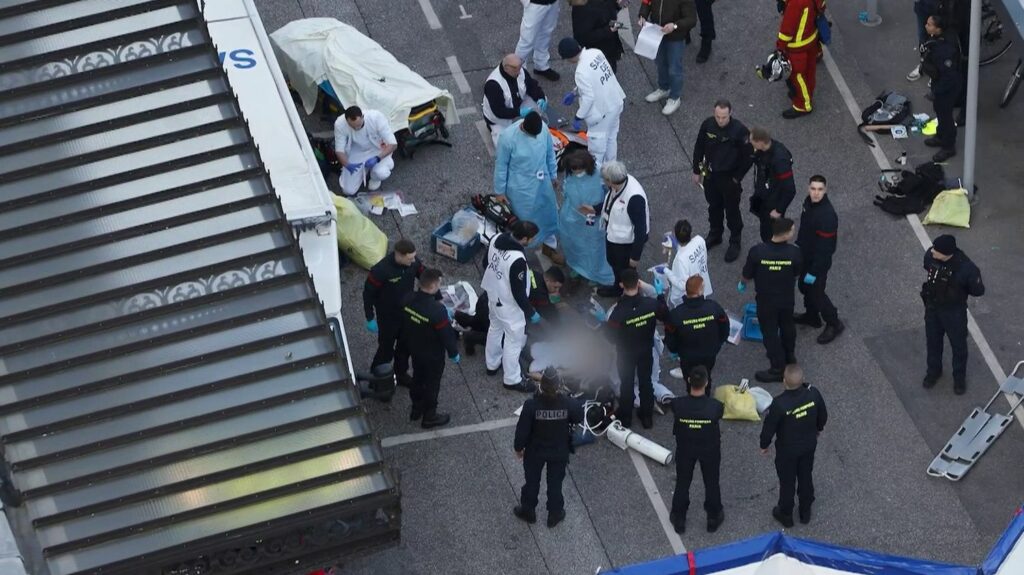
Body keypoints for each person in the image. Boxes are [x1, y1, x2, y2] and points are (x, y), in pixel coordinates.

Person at [513, 368, 585, 528]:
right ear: (558, 386)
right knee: (555, 484)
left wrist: (518, 448)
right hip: (558, 451)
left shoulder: (531, 405)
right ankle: (555, 513)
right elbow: (579, 416)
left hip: (535, 451)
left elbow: (522, 431)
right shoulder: (567, 403)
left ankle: (528, 510)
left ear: (541, 385)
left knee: (531, 482)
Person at [759, 364, 828, 527]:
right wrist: (818, 429)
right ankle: (805, 511)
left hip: (787, 450)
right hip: (808, 445)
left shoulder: (779, 404)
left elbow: (770, 427)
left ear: (784, 382)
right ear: (802, 380)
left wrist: (764, 444)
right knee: (805, 475)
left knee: (787, 482)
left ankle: (786, 513)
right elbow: (823, 415)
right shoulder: (814, 394)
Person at [482, 220, 543, 393]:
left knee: (495, 328)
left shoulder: (496, 239)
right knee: (513, 341)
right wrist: (530, 312)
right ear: (524, 238)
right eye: (531, 238)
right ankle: (512, 379)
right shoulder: (517, 260)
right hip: (509, 306)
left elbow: (485, 263)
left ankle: (491, 364)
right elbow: (519, 293)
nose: (531, 241)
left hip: (493, 295)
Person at [740, 217, 803, 383]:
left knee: (769, 333)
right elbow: (797, 273)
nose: (793, 232)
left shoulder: (758, 251)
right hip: (786, 298)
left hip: (766, 300)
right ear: (786, 234)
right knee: (787, 325)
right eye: (792, 230)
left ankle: (777, 368)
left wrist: (742, 284)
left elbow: (747, 274)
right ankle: (789, 356)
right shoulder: (794, 252)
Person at [691, 100, 754, 262]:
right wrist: (696, 170)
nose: (720, 120)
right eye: (718, 116)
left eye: (724, 117)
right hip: (711, 176)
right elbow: (699, 146)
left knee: (732, 210)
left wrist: (736, 178)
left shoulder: (740, 131)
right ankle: (715, 233)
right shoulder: (708, 125)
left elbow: (749, 156)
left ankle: (735, 240)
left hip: (729, 179)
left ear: (730, 113)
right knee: (714, 206)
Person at [921, 234, 984, 395]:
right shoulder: (931, 256)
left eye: (936, 251)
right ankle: (933, 372)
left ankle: (959, 379)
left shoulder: (967, 269)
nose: (932, 252)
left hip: (954, 313)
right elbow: (927, 264)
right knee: (933, 342)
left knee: (959, 347)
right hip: (933, 308)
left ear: (947, 253)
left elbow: (978, 290)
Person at [578, 161, 649, 298]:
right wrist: (595, 209)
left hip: (626, 243)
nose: (604, 182)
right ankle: (622, 286)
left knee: (624, 270)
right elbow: (610, 201)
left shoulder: (634, 199)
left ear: (611, 181)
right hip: (615, 237)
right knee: (614, 262)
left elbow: (640, 231)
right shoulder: (619, 183)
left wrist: (634, 257)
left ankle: (624, 291)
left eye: (605, 180)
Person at [400, 268, 460, 429]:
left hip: (414, 348)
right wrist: (453, 353)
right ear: (433, 286)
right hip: (433, 355)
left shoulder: (408, 298)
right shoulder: (437, 311)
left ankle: (416, 408)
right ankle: (430, 416)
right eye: (439, 284)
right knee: (432, 384)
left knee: (418, 378)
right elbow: (446, 335)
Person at [457, 266, 566, 354]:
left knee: (482, 320)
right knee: (502, 339)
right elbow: (550, 313)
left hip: (487, 298)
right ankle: (470, 338)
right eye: (555, 287)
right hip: (497, 308)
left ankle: (461, 318)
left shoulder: (534, 274)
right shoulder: (540, 294)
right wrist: (561, 331)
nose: (556, 291)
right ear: (548, 280)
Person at [669, 366, 725, 534]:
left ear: (688, 381)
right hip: (709, 449)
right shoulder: (715, 406)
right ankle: (713, 518)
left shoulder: (677, 404)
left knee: (683, 482)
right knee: (711, 482)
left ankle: (679, 518)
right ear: (706, 383)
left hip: (686, 448)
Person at [363, 240, 424, 394]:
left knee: (404, 347)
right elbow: (368, 294)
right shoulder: (381, 270)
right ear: (399, 255)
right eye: (410, 258)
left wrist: (436, 295)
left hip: (407, 314)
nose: (413, 261)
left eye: (414, 257)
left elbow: (423, 274)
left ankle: (401, 374)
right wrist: (370, 317)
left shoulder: (413, 263)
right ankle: (376, 378)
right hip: (388, 318)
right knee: (385, 350)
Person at [495, 112, 559, 249]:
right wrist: (500, 192)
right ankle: (521, 252)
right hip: (521, 188)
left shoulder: (543, 129)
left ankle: (550, 248)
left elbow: (550, 154)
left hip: (543, 184)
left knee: (547, 215)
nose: (536, 137)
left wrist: (553, 175)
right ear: (524, 127)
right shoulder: (507, 138)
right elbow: (501, 166)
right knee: (524, 221)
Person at [557, 38, 626, 165]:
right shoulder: (596, 52)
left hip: (601, 114)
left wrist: (579, 116)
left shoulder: (580, 72)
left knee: (597, 151)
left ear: (568, 57)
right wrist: (575, 92)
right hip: (615, 102)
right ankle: (612, 169)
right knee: (611, 138)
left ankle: (599, 180)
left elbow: (589, 98)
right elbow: (595, 78)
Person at [606, 268, 659, 429]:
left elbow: (609, 337)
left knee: (626, 384)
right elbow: (664, 314)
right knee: (646, 382)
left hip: (626, 353)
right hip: (645, 350)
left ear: (622, 285)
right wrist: (660, 294)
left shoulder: (618, 313)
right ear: (639, 283)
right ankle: (646, 417)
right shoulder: (650, 304)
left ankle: (626, 419)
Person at [795, 175, 844, 344]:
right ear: (808, 188)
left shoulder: (827, 216)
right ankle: (811, 316)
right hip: (806, 256)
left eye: (820, 189)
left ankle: (834, 322)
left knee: (817, 294)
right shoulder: (808, 203)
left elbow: (826, 249)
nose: (816, 193)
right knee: (804, 287)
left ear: (826, 190)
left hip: (817, 263)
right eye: (813, 189)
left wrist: (814, 271)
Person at [559, 151, 616, 287]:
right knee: (574, 244)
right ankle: (578, 267)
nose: (576, 172)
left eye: (579, 169)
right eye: (573, 169)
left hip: (594, 220)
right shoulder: (570, 173)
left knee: (595, 248)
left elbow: (612, 195)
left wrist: (596, 208)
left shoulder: (601, 173)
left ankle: (593, 272)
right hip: (573, 219)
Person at [663, 276, 729, 390]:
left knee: (690, 379)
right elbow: (725, 328)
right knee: (706, 375)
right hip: (709, 354)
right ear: (699, 291)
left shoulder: (676, 314)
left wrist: (675, 351)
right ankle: (705, 394)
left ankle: (692, 395)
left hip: (687, 356)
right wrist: (718, 343)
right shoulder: (713, 307)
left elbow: (670, 338)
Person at [638, 0, 697, 115]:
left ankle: (675, 97)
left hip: (675, 37)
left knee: (674, 69)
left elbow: (691, 19)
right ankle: (664, 88)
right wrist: (642, 15)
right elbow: (646, 2)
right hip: (657, 33)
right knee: (660, 63)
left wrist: (675, 26)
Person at [921, 15, 963, 163]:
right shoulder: (939, 39)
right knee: (939, 111)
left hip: (947, 86)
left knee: (945, 116)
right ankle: (940, 136)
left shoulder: (945, 50)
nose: (926, 26)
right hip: (941, 82)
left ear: (938, 29)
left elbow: (949, 76)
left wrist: (935, 91)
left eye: (930, 25)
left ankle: (948, 146)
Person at [482, 54, 548, 147]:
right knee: (503, 145)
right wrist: (519, 112)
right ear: (506, 68)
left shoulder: (519, 71)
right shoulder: (493, 84)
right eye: (515, 68)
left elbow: (532, 86)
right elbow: (499, 112)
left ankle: (529, 125)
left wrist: (541, 98)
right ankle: (493, 129)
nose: (519, 71)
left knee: (541, 102)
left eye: (520, 66)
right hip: (500, 119)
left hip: (518, 104)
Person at [333, 106, 398, 196]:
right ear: (347, 121)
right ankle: (360, 173)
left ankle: (374, 178)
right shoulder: (340, 124)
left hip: (378, 149)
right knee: (348, 191)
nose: (356, 129)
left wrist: (377, 158)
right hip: (358, 150)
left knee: (381, 172)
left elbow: (393, 144)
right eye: (353, 126)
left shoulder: (376, 118)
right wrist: (347, 164)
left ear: (363, 117)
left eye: (359, 125)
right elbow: (339, 150)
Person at [776, 0, 824, 118]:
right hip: (811, 39)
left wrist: (780, 47)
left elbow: (787, 29)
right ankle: (806, 95)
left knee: (797, 76)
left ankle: (802, 105)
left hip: (797, 46)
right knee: (809, 72)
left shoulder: (796, 3)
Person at [749, 127, 797, 244]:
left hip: (773, 204)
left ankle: (774, 255)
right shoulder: (764, 149)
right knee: (765, 230)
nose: (751, 144)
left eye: (753, 142)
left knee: (772, 235)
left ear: (760, 142)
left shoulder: (779, 160)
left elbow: (790, 189)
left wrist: (779, 210)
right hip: (764, 197)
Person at [663, 219, 713, 309]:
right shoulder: (700, 240)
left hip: (686, 296)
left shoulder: (680, 260)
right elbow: (689, 252)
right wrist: (678, 246)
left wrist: (665, 271)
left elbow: (683, 285)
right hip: (701, 283)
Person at [569, 0, 626, 72]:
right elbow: (582, 37)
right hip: (597, 54)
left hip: (608, 46)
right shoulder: (582, 8)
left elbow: (608, 8)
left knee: (611, 70)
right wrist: (609, 30)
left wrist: (618, 5)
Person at [515, 0, 563, 82]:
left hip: (553, 2)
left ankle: (541, 65)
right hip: (535, 3)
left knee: (546, 33)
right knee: (527, 40)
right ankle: (519, 73)